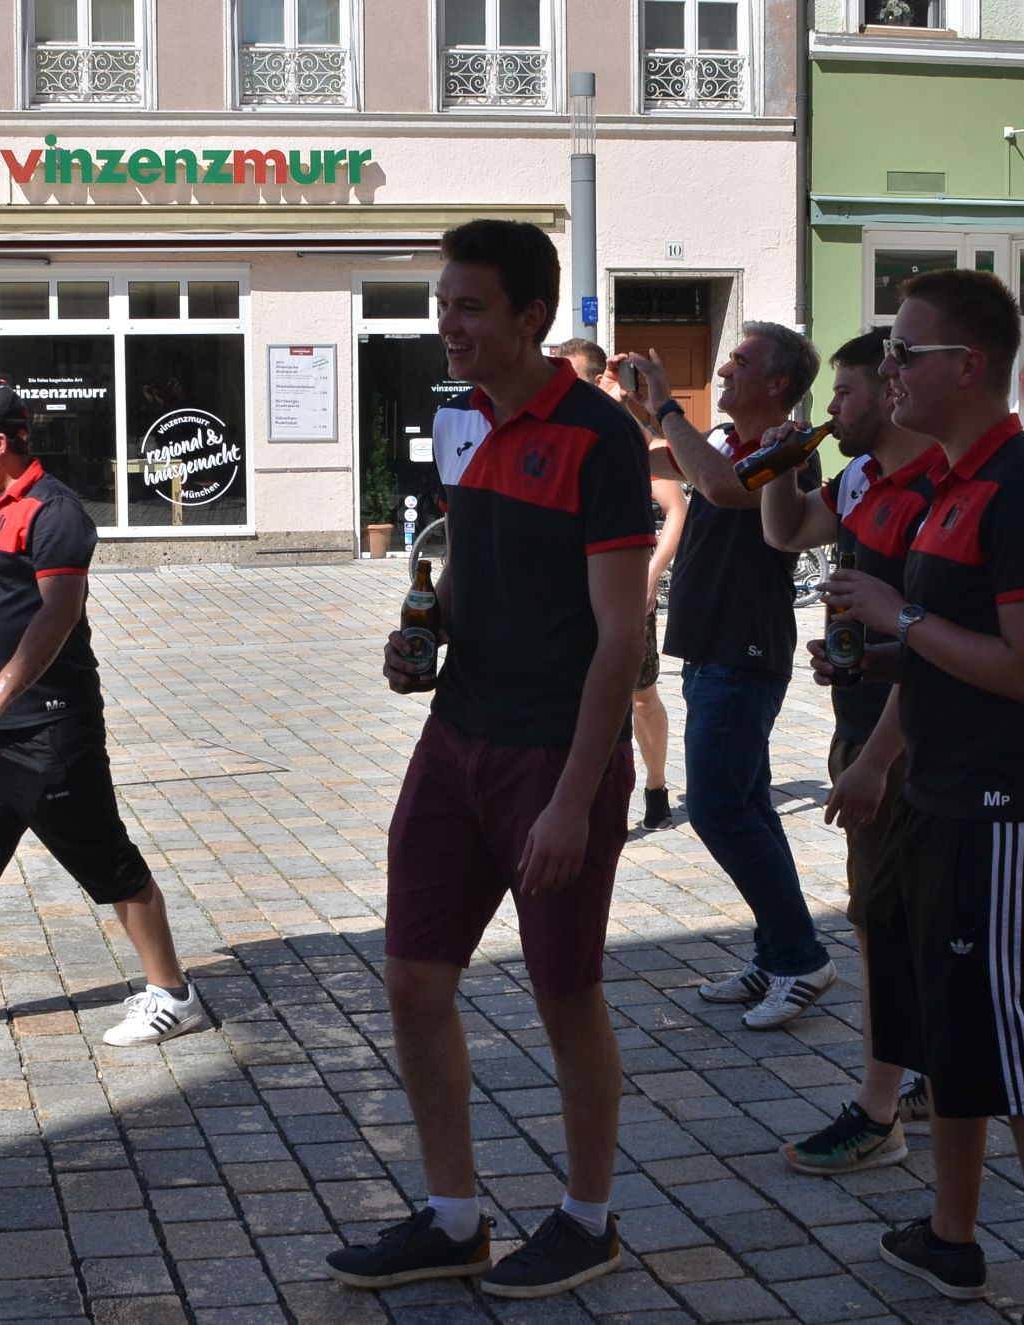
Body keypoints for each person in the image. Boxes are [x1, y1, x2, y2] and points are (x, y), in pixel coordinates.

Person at [325, 220, 652, 1300]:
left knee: (565, 991)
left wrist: (572, 798)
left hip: (553, 755)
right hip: (455, 737)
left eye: (469, 306)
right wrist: (423, 632)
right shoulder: (459, 416)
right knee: (414, 978)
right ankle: (454, 1217)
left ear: (530, 317)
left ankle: (588, 1219)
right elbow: (463, 559)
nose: (448, 325)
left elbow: (622, 635)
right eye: (442, 304)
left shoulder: (599, 437)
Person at [816, 269, 1024, 1325]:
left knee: (1013, 1041)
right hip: (937, 794)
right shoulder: (948, 482)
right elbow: (953, 647)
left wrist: (899, 618)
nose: (887, 368)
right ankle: (950, 1234)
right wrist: (883, 665)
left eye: (905, 352)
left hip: (1003, 806)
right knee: (947, 1032)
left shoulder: (1021, 490)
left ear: (967, 367)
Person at [0, 376, 205, 1046]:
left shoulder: (54, 512)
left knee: (108, 862)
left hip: (48, 730)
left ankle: (173, 994)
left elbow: (57, 616)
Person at [613, 326, 835, 1030]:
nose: (724, 369)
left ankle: (800, 958)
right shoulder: (726, 439)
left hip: (744, 652)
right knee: (750, 806)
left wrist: (664, 407)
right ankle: (778, 953)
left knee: (715, 808)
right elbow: (666, 458)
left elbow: (716, 484)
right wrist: (625, 407)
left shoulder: (788, 449)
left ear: (777, 383)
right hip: (713, 650)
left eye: (740, 361)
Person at [760, 330, 940, 1174]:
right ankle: (932, 1075)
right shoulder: (863, 474)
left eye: (845, 393)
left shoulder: (934, 484)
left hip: (899, 732)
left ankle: (878, 1110)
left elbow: (935, 638)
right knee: (901, 914)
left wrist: (873, 758)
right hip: (861, 713)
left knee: (881, 917)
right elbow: (789, 532)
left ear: (888, 393)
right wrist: (780, 467)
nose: (831, 409)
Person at [557, 337, 686, 830]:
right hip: (576, 590)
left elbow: (676, 511)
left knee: (640, 695)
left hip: (628, 590)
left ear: (597, 381)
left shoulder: (635, 440)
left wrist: (651, 577)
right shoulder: (562, 437)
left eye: (571, 378)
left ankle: (655, 785)